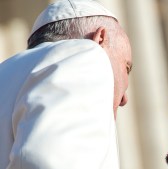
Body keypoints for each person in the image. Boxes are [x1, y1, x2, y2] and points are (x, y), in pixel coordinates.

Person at [0, 0, 132, 168]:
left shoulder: (4, 70)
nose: (124, 99)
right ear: (100, 39)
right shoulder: (87, 55)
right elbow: (46, 161)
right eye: (126, 67)